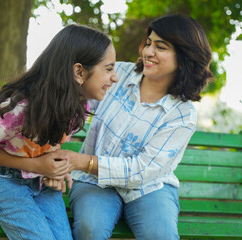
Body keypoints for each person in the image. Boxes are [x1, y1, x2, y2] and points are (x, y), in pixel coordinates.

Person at [45, 14, 214, 239]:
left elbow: (142, 171)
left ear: (184, 57)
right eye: (149, 43)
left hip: (151, 188)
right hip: (93, 181)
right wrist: (52, 154)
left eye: (160, 47)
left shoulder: (182, 115)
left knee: (161, 235)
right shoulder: (118, 74)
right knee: (89, 229)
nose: (148, 52)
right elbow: (70, 106)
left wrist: (80, 161)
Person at [0, 24, 118, 240]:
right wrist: (36, 166)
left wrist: (55, 171)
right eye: (109, 69)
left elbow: (47, 145)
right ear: (79, 72)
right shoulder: (19, 107)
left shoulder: (79, 107)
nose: (115, 77)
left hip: (38, 178)